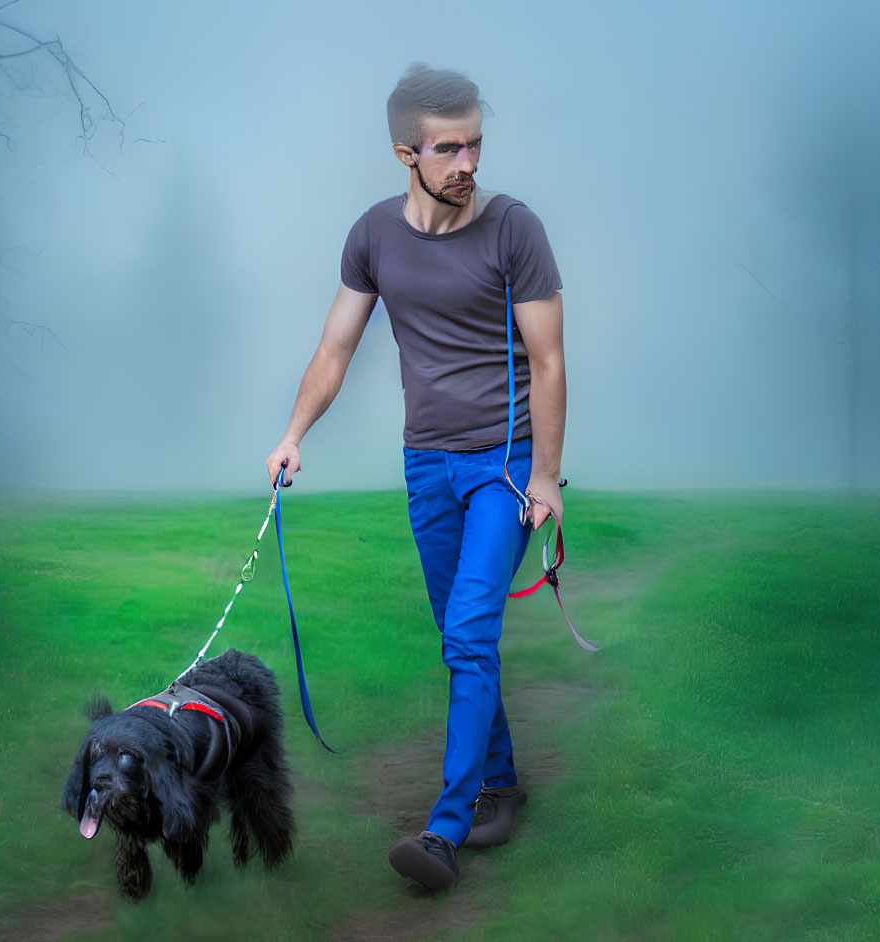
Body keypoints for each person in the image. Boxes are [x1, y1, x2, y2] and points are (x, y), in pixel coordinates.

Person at [266, 62, 566, 892]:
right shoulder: (372, 236)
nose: (467, 161)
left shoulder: (514, 229)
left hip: (502, 468)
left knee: (470, 633)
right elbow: (335, 349)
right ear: (406, 152)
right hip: (425, 465)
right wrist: (292, 434)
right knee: (458, 638)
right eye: (447, 147)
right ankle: (502, 784)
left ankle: (444, 829)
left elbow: (547, 362)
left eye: (475, 143)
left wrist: (543, 476)